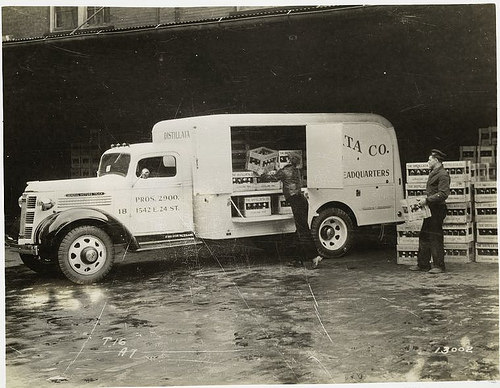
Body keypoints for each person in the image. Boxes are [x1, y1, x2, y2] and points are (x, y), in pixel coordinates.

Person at [257, 152, 323, 269]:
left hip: (296, 201)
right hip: (301, 200)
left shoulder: (285, 170)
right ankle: (298, 259)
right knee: (300, 230)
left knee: (303, 231)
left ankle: (315, 256)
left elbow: (272, 178)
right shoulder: (296, 170)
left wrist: (261, 173)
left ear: (289, 160)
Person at [410, 149, 450, 274]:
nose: (428, 162)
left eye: (429, 160)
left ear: (436, 160)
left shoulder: (443, 174)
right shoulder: (434, 173)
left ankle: (439, 266)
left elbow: (443, 194)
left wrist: (427, 200)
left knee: (435, 237)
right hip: (430, 208)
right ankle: (423, 264)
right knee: (424, 235)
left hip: (437, 209)